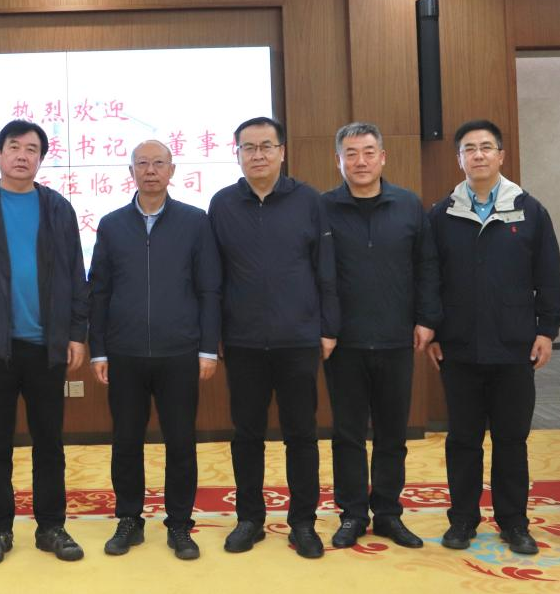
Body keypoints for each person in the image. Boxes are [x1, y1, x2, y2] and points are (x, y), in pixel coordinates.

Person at [0, 119, 89, 565]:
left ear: (41, 158)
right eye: (14, 147)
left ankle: (51, 526)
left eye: (32, 149)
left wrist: (77, 333)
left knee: (50, 441)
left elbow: (76, 275)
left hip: (47, 347)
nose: (22, 155)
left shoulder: (58, 208)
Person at [426, 119, 560, 556]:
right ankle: (462, 519)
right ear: (459, 159)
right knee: (462, 440)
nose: (479, 155)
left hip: (514, 346)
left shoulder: (530, 210)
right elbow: (430, 279)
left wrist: (547, 330)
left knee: (511, 439)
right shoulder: (442, 214)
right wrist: (433, 329)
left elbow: (549, 276)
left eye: (486, 147)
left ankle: (513, 522)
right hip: (459, 347)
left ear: (501, 155)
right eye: (469, 148)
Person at [208, 115, 339, 560]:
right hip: (242, 341)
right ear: (237, 155)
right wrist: (215, 332)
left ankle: (303, 522)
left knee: (301, 435)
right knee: (246, 434)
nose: (258, 155)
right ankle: (250, 519)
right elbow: (213, 276)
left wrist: (328, 327)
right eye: (249, 147)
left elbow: (325, 267)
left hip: (298, 339)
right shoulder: (223, 203)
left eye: (266, 146)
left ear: (282, 151)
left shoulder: (309, 200)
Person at [88, 139, 221, 560]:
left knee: (180, 441)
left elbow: (209, 288)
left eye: (158, 163)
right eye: (142, 164)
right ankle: (129, 519)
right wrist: (98, 350)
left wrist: (208, 348)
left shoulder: (194, 221)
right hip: (124, 352)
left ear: (171, 170)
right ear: (131, 172)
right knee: (126, 441)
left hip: (179, 352)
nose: (150, 170)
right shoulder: (111, 224)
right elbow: (99, 291)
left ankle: (180, 524)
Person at [321, 122, 440, 549]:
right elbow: (315, 273)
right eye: (351, 154)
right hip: (343, 343)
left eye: (369, 152)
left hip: (396, 339)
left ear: (383, 157)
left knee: (392, 434)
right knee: (348, 435)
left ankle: (388, 513)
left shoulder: (408, 205)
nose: (361, 161)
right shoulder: (323, 208)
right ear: (339, 160)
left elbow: (427, 266)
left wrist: (427, 319)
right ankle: (352, 514)